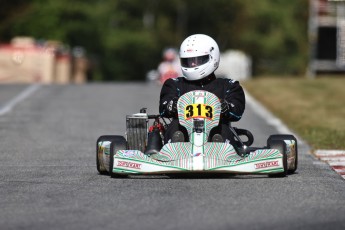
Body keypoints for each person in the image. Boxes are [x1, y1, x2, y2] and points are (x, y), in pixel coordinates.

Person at [159, 34, 246, 145]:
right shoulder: (174, 84)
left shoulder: (228, 86)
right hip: (182, 136)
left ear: (212, 57)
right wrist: (172, 105)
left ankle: (217, 145)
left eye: (197, 60)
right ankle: (176, 146)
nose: (192, 64)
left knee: (222, 128)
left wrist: (227, 107)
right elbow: (163, 108)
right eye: (188, 61)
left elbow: (237, 112)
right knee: (176, 126)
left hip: (218, 135)